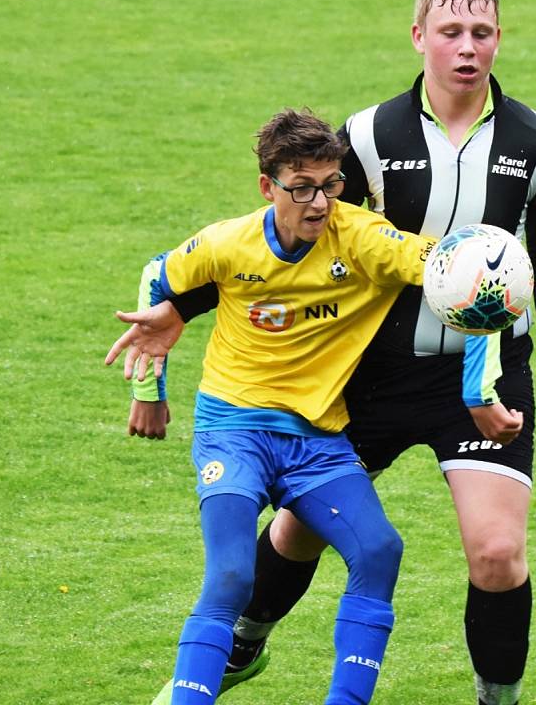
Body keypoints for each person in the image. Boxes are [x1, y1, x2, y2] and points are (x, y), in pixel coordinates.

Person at [136, 0, 536, 705]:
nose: (466, 48)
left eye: (480, 33)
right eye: (449, 33)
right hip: (368, 373)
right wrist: (178, 310)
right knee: (296, 531)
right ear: (419, 38)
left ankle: (495, 699)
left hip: (485, 376)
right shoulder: (368, 136)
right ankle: (243, 644)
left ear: (498, 39)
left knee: (498, 553)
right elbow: (294, 232)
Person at [106, 108, 439, 705]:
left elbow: (441, 270)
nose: (319, 203)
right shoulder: (228, 242)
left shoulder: (361, 237)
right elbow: (158, 275)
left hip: (317, 440)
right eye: (303, 187)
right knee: (233, 575)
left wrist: (494, 268)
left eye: (331, 184)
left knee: (381, 549)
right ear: (269, 186)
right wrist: (148, 392)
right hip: (233, 429)